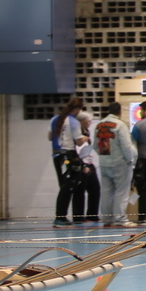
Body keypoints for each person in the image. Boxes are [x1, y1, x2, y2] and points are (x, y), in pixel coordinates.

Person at [92, 102, 137, 228]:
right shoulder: (120, 125)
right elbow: (126, 146)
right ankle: (121, 219)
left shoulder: (99, 125)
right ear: (120, 112)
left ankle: (107, 219)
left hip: (104, 164)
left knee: (106, 193)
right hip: (120, 164)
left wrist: (104, 156)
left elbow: (95, 146)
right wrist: (131, 160)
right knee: (121, 192)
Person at [49, 95, 89, 227]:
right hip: (68, 156)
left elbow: (50, 136)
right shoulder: (73, 122)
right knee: (67, 187)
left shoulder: (55, 119)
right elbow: (79, 141)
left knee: (65, 186)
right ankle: (60, 217)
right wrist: (86, 137)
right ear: (77, 109)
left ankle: (63, 216)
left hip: (57, 156)